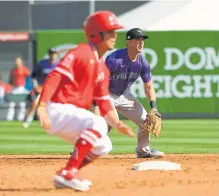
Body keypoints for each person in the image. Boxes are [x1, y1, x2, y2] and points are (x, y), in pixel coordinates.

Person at [36, 11, 135, 192]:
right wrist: (42, 106)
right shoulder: (81, 52)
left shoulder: (102, 69)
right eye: (110, 31)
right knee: (96, 122)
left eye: (115, 31)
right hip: (56, 110)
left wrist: (117, 123)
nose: (115, 35)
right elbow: (55, 76)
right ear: (96, 34)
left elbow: (104, 103)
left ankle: (67, 174)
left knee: (104, 145)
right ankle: (68, 172)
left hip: (69, 114)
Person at [92, 28, 164, 158]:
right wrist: (97, 104)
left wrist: (154, 108)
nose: (141, 42)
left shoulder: (143, 62)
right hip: (107, 93)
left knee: (145, 121)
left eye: (142, 39)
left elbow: (148, 86)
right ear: (128, 42)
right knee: (109, 122)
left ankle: (143, 151)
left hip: (124, 95)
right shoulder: (114, 59)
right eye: (137, 39)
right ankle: (84, 148)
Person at [23, 48, 58, 128]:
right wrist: (35, 85)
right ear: (49, 54)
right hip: (41, 87)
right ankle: (28, 119)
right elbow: (33, 75)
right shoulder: (42, 64)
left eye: (54, 53)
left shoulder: (58, 65)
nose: (53, 55)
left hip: (53, 89)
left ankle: (52, 122)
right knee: (34, 103)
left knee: (53, 106)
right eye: (51, 53)